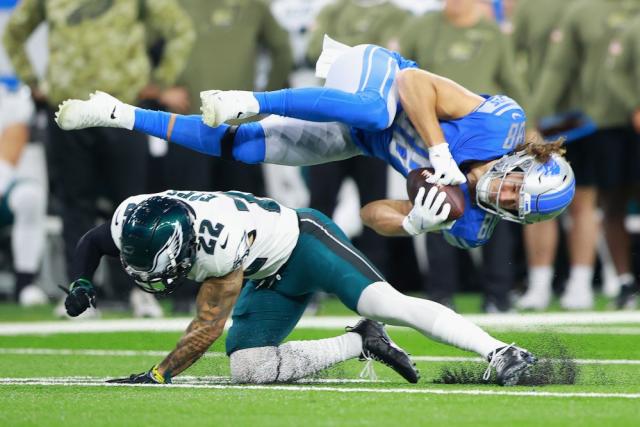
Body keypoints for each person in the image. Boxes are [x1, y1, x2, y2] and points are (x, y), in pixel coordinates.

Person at [55, 38, 575, 248]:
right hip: (375, 77)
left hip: (356, 136)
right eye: (515, 190)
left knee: (242, 148)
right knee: (376, 106)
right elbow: (412, 86)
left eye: (514, 208)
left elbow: (374, 212)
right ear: (523, 163)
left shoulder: (471, 227)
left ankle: (116, 112)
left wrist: (414, 221)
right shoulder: (501, 125)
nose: (504, 198)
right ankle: (254, 97)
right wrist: (440, 153)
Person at [61, 190, 536, 385]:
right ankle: (360, 341)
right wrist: (82, 281)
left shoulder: (218, 242)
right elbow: (91, 240)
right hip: (267, 272)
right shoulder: (139, 220)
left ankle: (499, 351)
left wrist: (158, 375)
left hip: (305, 244)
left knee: (389, 302)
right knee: (248, 368)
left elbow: (207, 326)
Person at [3, 0, 195, 316]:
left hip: (123, 109)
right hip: (68, 108)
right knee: (75, 201)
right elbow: (14, 32)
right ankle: (79, 291)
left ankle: (136, 291)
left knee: (132, 203)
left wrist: (159, 83)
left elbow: (180, 28)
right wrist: (33, 81)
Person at [399, 0, 528, 312]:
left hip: (485, 136)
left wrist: (529, 128)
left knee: (495, 212)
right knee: (435, 207)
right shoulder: (422, 26)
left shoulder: (491, 32)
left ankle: (498, 293)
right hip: (435, 134)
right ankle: (440, 294)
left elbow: (511, 80)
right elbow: (402, 70)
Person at [526, 0, 640, 310]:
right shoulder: (581, 11)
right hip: (597, 124)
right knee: (601, 203)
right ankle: (597, 282)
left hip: (616, 119)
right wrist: (536, 115)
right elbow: (558, 68)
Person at [0, 0, 47, 305]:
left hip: (2, 183)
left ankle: (24, 282)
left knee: (30, 196)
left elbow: (12, 145)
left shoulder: (11, 96)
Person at [606, 12, 640, 309]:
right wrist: (634, 107)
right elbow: (613, 73)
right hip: (625, 129)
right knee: (615, 201)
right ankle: (625, 281)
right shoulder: (633, 27)